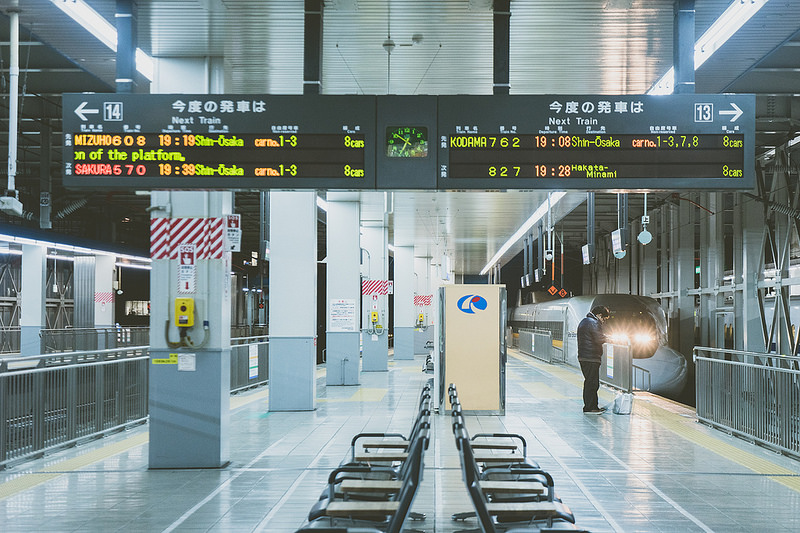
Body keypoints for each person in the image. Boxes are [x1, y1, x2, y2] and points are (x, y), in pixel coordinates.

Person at [577, 305, 610, 414]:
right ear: (599, 315)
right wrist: (613, 339)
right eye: (604, 319)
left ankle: (592, 406)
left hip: (585, 356)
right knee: (592, 383)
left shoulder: (585, 321)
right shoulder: (593, 322)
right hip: (591, 357)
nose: (603, 322)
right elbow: (599, 339)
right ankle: (590, 408)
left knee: (590, 382)